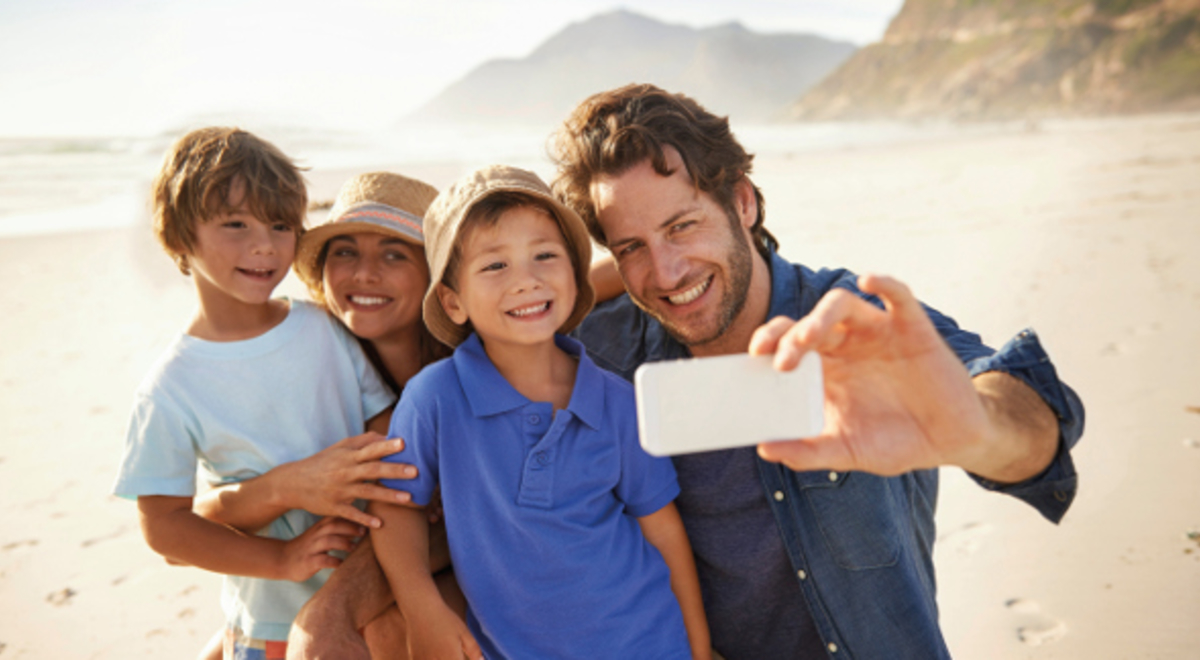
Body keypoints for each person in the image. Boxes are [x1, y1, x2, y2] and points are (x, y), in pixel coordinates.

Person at [287, 85, 1085, 660]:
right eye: (630, 247)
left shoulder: (854, 325)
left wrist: (976, 429)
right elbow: (466, 476)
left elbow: (1026, 411)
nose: (665, 272)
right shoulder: (595, 351)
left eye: (682, 226)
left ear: (741, 200)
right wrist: (336, 608)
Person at [370, 165, 710, 659]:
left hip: (647, 643)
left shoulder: (617, 402)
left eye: (545, 256)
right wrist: (421, 607)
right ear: (453, 300)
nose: (526, 280)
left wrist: (699, 651)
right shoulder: (435, 398)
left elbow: (663, 532)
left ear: (575, 276)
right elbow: (396, 506)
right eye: (494, 266)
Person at [112, 128, 397, 659]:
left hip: (372, 599)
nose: (264, 244)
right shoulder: (170, 387)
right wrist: (281, 558)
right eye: (235, 224)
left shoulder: (322, 327)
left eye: (280, 224)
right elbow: (165, 528)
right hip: (268, 623)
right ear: (178, 236)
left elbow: (384, 424)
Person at [191, 170, 465, 658]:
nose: (364, 273)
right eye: (345, 251)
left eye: (394, 253)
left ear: (437, 276)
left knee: (379, 631)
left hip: (451, 572)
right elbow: (201, 517)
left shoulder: (467, 373)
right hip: (296, 590)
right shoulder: (310, 359)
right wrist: (287, 484)